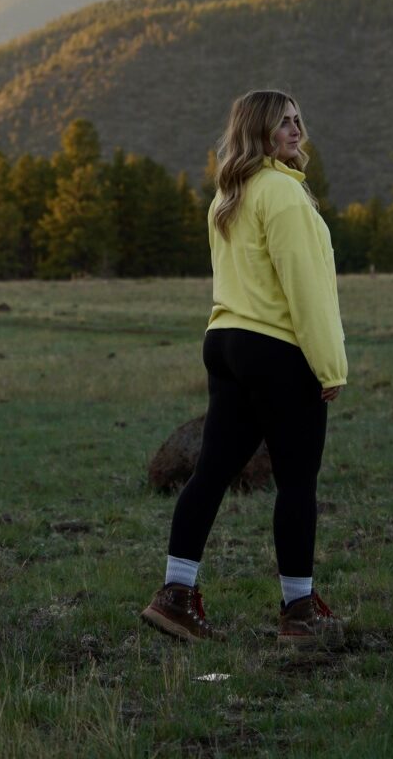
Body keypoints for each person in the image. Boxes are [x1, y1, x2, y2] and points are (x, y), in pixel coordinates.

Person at [140, 89, 347, 645]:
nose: (297, 130)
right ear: (259, 132)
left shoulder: (227, 196)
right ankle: (300, 613)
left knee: (210, 472)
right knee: (298, 482)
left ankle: (176, 595)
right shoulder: (282, 193)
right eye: (284, 123)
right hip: (276, 348)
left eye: (299, 120)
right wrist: (329, 366)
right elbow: (305, 290)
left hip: (227, 342)